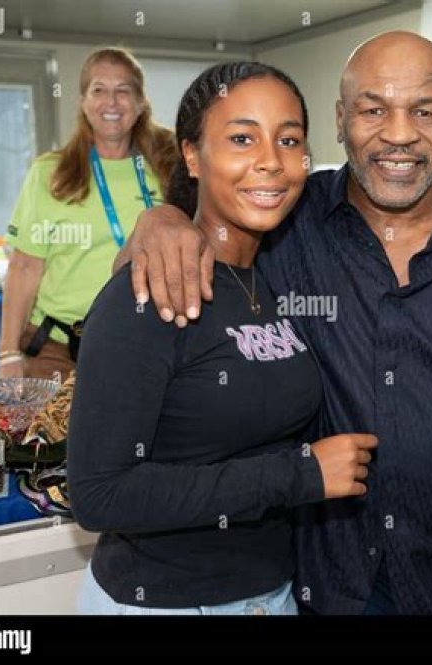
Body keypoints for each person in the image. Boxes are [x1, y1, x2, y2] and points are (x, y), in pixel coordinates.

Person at [115, 32, 432, 615]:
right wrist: (162, 219)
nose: (399, 134)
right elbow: (192, 235)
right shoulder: (284, 226)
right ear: (341, 119)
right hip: (323, 587)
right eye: (373, 110)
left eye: (424, 110)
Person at [67, 62, 377, 616]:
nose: (270, 161)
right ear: (192, 155)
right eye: (241, 138)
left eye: (289, 140)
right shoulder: (151, 291)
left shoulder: (275, 274)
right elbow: (99, 495)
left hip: (271, 595)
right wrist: (300, 475)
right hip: (166, 605)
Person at [0, 47, 177, 381]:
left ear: (140, 103)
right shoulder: (50, 172)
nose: (111, 102)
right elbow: (24, 268)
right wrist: (8, 354)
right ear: (83, 101)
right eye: (99, 90)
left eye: (123, 90)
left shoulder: (168, 169)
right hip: (58, 348)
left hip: (143, 342)